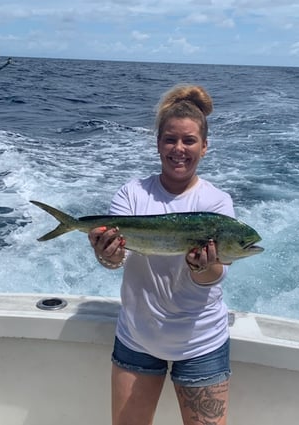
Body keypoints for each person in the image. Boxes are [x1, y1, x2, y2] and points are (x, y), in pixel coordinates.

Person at [89, 84, 235, 425]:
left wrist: (203, 268)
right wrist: (106, 254)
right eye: (170, 139)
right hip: (137, 338)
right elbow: (115, 261)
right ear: (158, 144)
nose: (179, 149)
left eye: (189, 140)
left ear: (205, 146)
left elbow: (217, 274)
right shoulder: (132, 193)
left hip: (201, 344)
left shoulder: (216, 203)